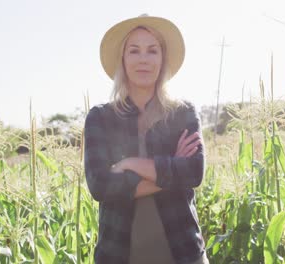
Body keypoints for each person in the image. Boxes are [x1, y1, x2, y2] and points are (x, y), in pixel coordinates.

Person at [84, 14, 209, 264]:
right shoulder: (100, 118)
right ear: (123, 58)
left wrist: (130, 163)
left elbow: (194, 172)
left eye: (152, 51)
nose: (144, 59)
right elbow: (100, 185)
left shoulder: (182, 113)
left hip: (183, 253)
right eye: (134, 51)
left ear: (162, 59)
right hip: (119, 255)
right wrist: (171, 169)